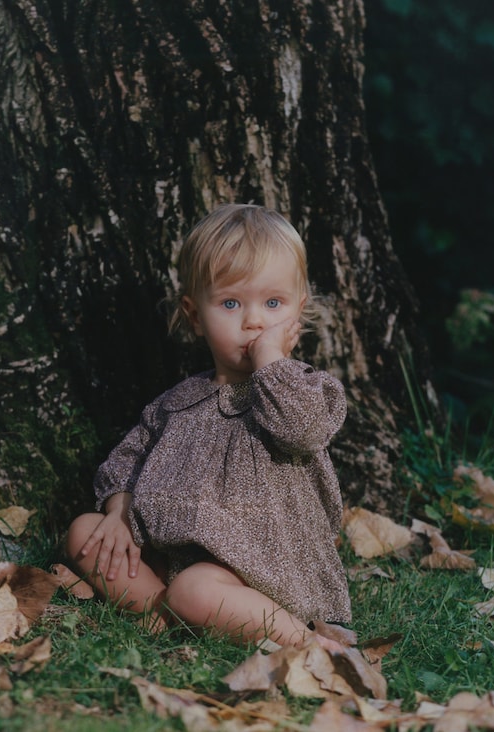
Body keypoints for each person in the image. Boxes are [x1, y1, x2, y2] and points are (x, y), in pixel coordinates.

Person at [65, 203, 351, 648]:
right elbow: (126, 461)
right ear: (196, 315)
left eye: (273, 304)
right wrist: (119, 511)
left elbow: (303, 430)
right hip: (177, 557)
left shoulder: (303, 388)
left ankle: (315, 647)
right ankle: (167, 615)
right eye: (231, 303)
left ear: (298, 312)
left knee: (197, 588)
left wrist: (271, 361)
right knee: (85, 533)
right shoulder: (176, 403)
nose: (254, 321)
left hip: (265, 568)